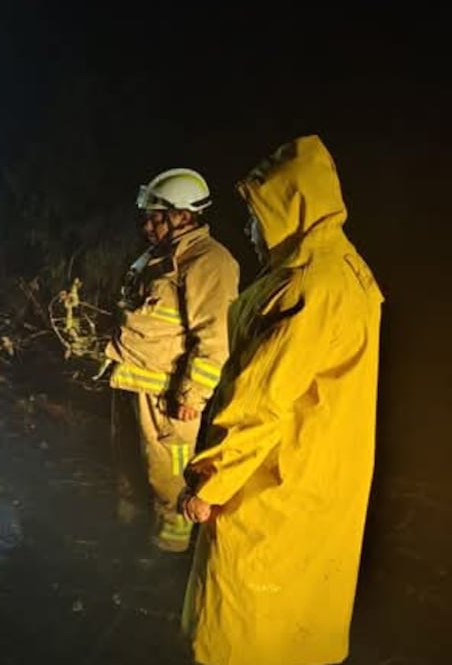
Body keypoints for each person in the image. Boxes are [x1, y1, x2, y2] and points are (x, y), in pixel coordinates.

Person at [179, 135, 383, 665]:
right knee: (299, 627)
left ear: (293, 207)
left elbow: (261, 399)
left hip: (271, 487)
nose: (249, 229)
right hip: (320, 483)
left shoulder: (305, 288)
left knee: (239, 630)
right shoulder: (347, 272)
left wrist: (212, 481)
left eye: (256, 213)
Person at [103, 167, 240, 552]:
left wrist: (192, 396)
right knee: (130, 472)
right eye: (146, 217)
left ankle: (169, 558)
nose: (147, 225)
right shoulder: (159, 257)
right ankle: (125, 545)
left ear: (184, 214)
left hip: (168, 399)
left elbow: (215, 338)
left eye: (156, 217)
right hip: (132, 382)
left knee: (169, 482)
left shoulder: (210, 262)